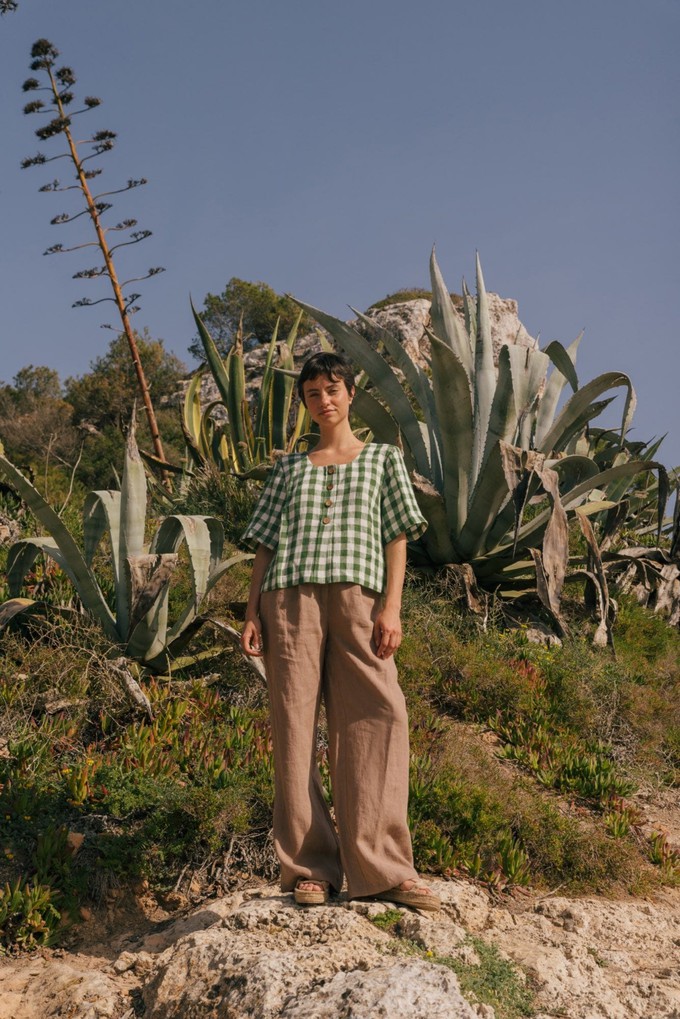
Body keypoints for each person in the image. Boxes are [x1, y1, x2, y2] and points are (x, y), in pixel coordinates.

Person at [240, 351, 440, 911]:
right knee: (294, 728)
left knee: (378, 716)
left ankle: (383, 868)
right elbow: (265, 545)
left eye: (332, 390)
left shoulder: (382, 460)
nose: (323, 401)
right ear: (305, 404)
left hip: (361, 599)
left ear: (351, 394)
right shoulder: (289, 469)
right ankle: (311, 868)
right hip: (289, 599)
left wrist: (392, 607)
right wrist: (252, 611)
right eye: (312, 394)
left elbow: (397, 535)